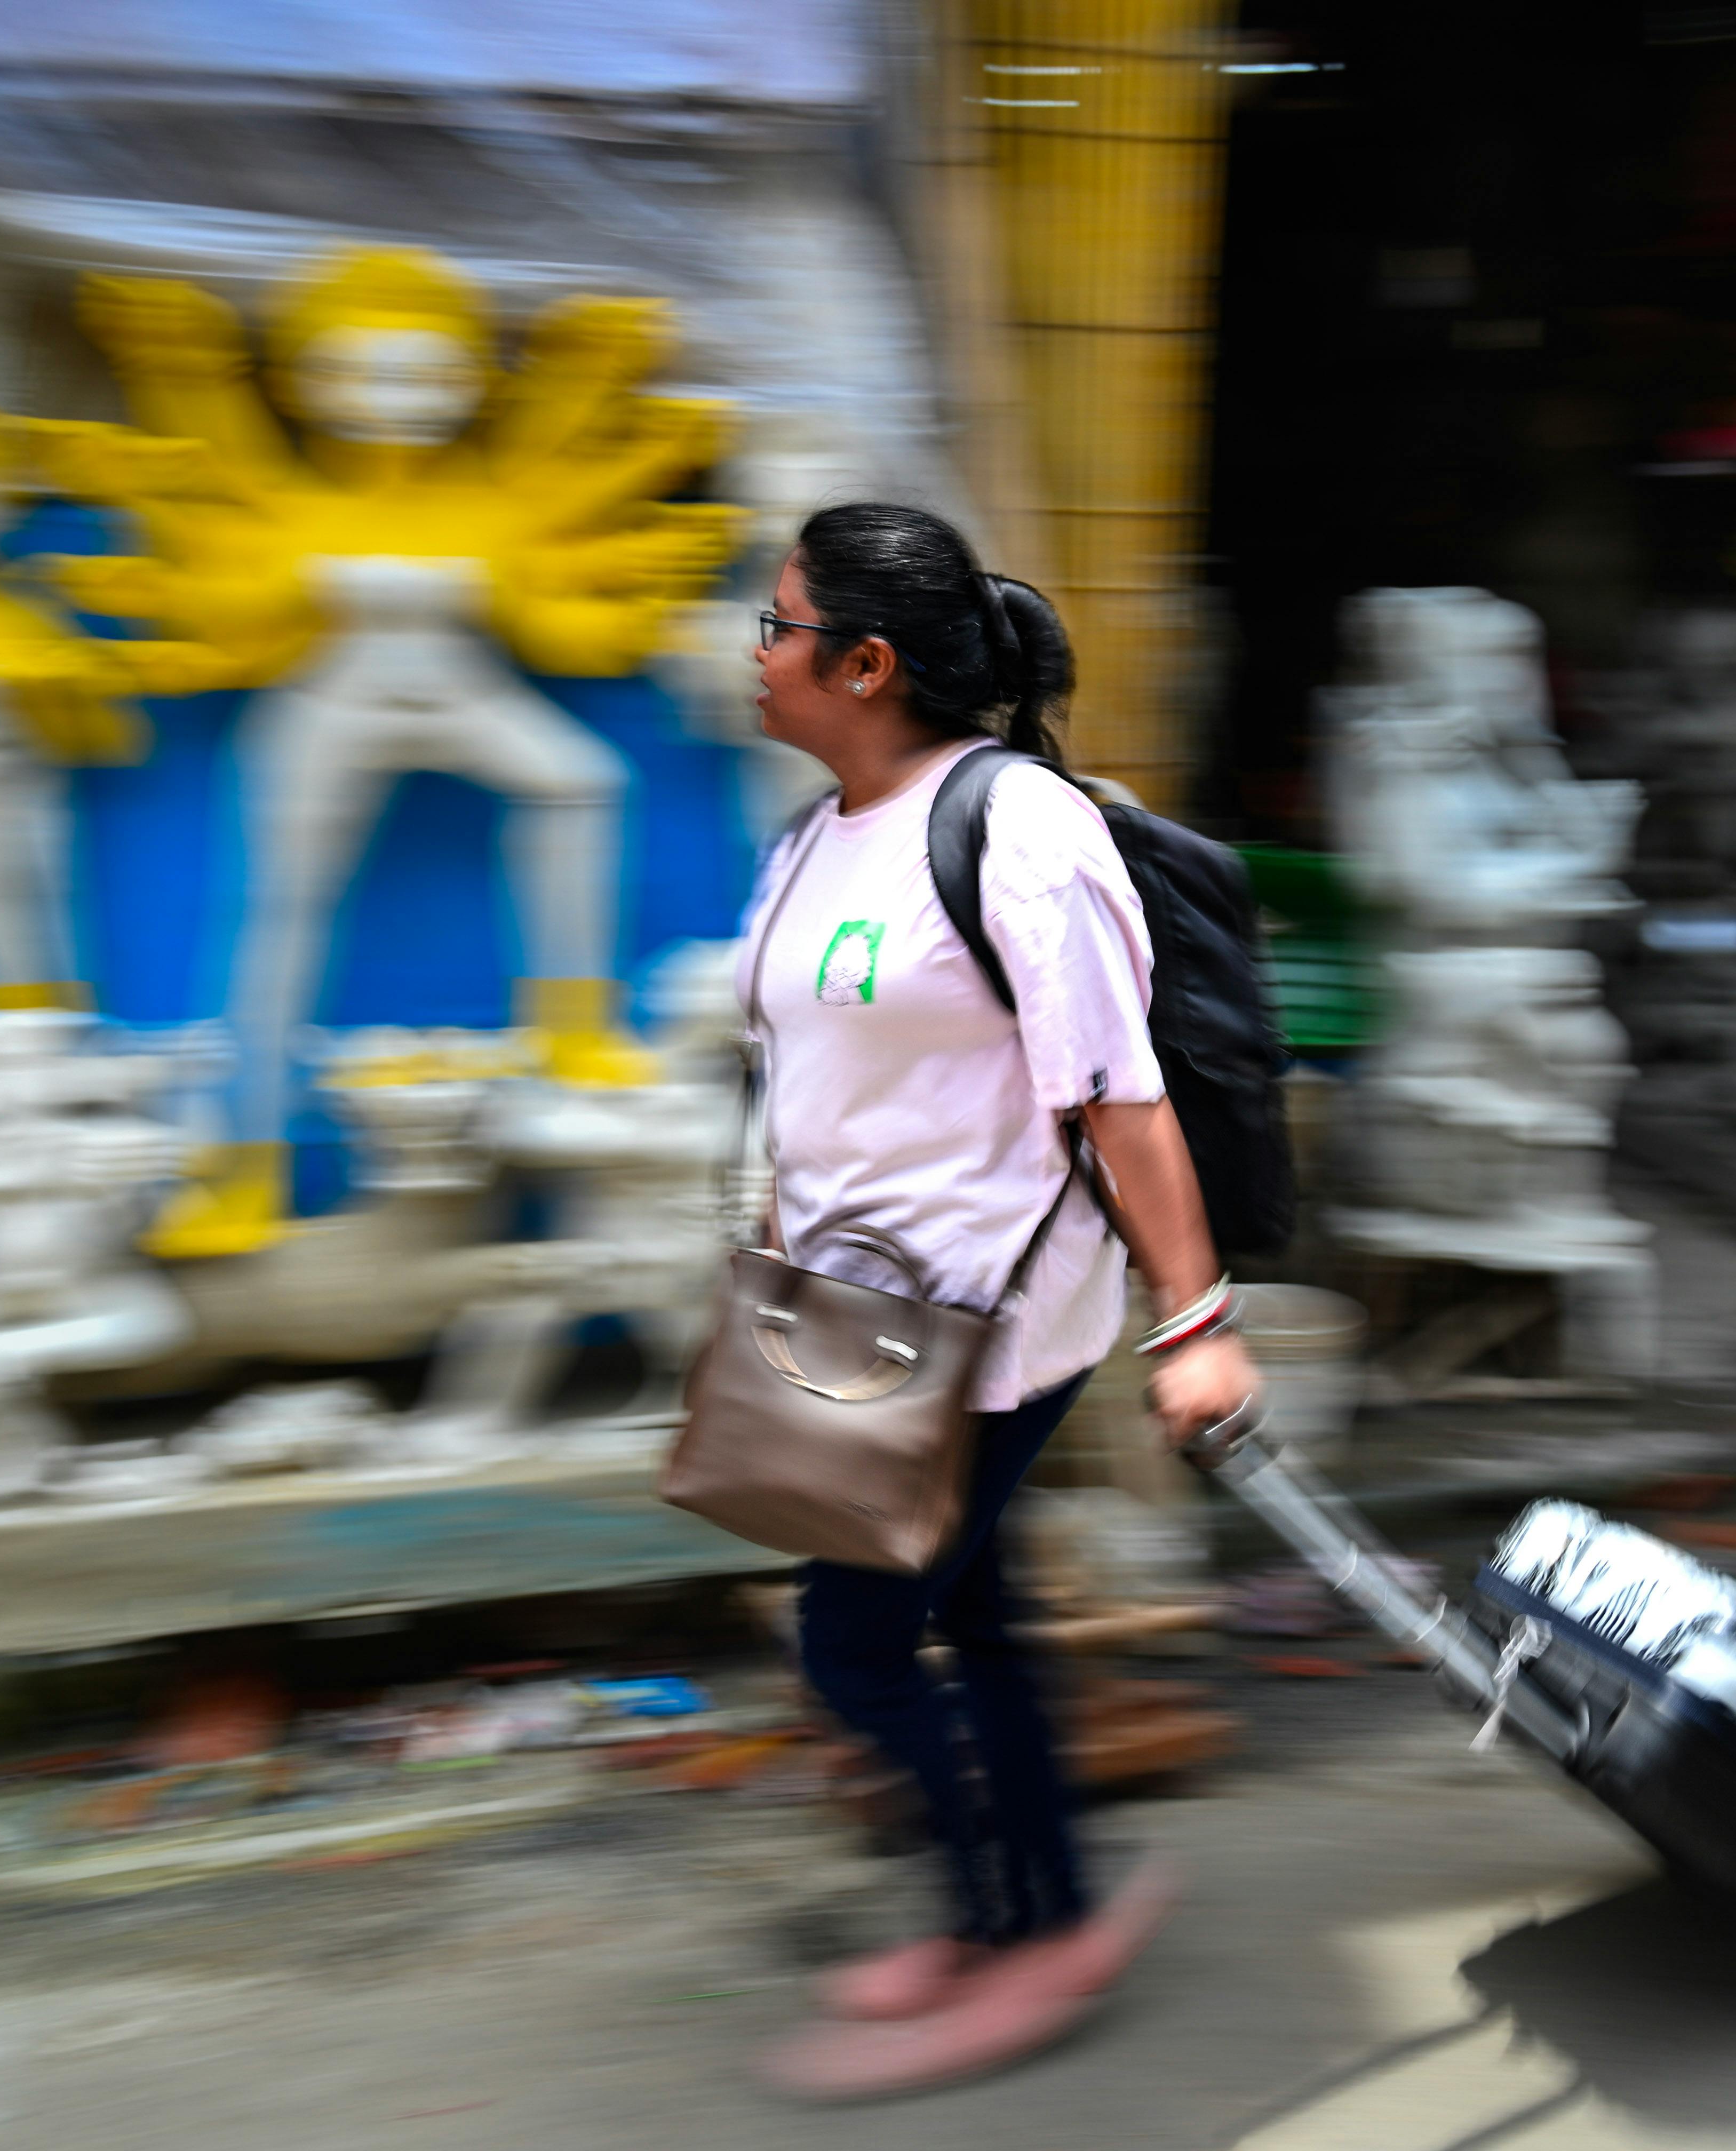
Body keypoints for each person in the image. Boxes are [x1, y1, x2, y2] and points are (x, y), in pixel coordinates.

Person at [735, 502, 1258, 2097]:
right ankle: (1014, 1912)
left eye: (777, 626)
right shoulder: (819, 834)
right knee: (980, 1626)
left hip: (986, 1328)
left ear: (869, 662)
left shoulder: (1019, 831)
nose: (753, 657)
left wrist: (1199, 1324)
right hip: (846, 1318)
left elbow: (1125, 1100)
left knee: (855, 1649)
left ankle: (1025, 1935)